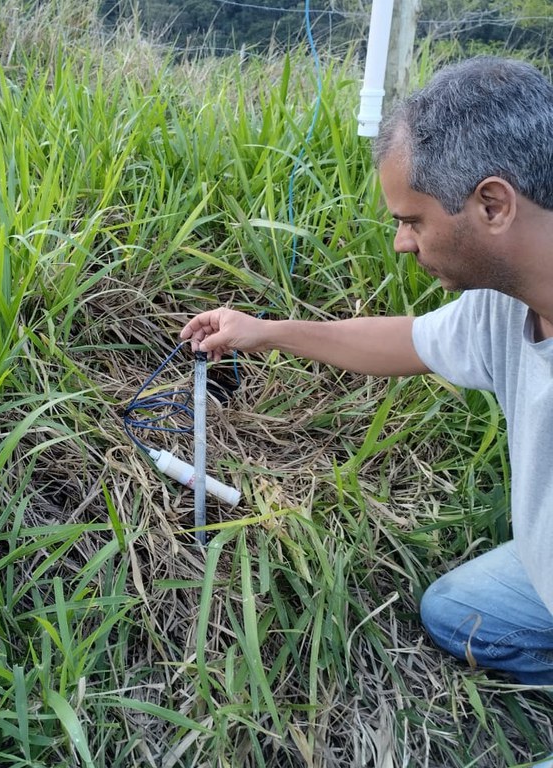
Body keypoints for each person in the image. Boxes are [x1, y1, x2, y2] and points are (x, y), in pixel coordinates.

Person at [181, 55, 553, 723]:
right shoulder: (505, 302)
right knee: (456, 613)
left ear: (492, 204)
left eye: (412, 220)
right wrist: (265, 331)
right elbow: (409, 342)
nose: (401, 244)